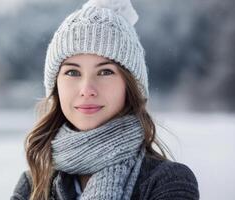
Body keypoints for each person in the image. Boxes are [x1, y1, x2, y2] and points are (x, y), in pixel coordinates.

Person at [11, 0, 199, 199]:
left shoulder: (167, 181)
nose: (87, 90)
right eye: (73, 72)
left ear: (130, 85)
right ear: (56, 86)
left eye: (105, 71)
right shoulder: (33, 185)